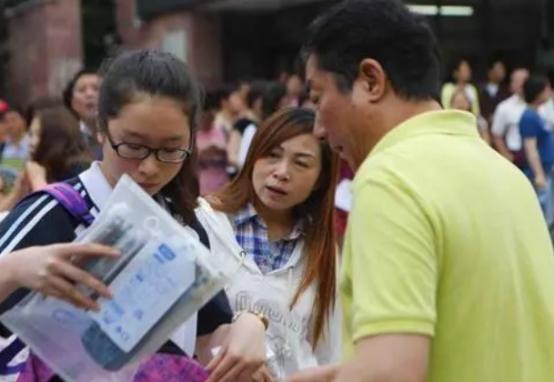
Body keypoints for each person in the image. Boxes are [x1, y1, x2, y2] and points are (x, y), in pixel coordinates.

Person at [292, 1, 554, 381]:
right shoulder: (506, 175)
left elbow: (391, 373)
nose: (317, 127)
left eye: (318, 98)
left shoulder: (390, 180)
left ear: (370, 80)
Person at [0, 49, 268, 382]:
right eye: (133, 146)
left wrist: (249, 326)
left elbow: (206, 335)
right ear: (101, 128)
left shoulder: (183, 227)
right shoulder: (53, 214)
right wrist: (11, 270)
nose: (150, 167)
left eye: (171, 150)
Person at [198, 107, 340, 380]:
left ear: (321, 178)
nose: (282, 172)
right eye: (272, 155)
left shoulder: (322, 251)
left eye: (301, 163)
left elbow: (328, 353)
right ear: (253, 157)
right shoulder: (204, 224)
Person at [519, 74, 554, 225]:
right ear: (538, 92)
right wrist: (539, 174)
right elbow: (530, 148)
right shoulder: (528, 117)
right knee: (542, 217)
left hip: (547, 170)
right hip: (538, 174)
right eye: (546, 89)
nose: (550, 92)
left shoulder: (537, 114)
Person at [491, 67, 529, 167]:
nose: (521, 84)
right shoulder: (504, 107)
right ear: (512, 84)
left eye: (524, 81)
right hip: (515, 156)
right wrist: (507, 156)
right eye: (517, 81)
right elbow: (496, 134)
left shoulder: (542, 105)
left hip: (540, 155)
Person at [62, 68, 102, 159]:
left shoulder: (119, 132)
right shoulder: (67, 138)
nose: (89, 94)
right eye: (81, 90)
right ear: (72, 101)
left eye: (96, 89)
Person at [479, 59, 509, 127]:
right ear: (490, 72)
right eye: (499, 69)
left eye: (503, 69)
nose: (502, 72)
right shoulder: (480, 90)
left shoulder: (507, 91)